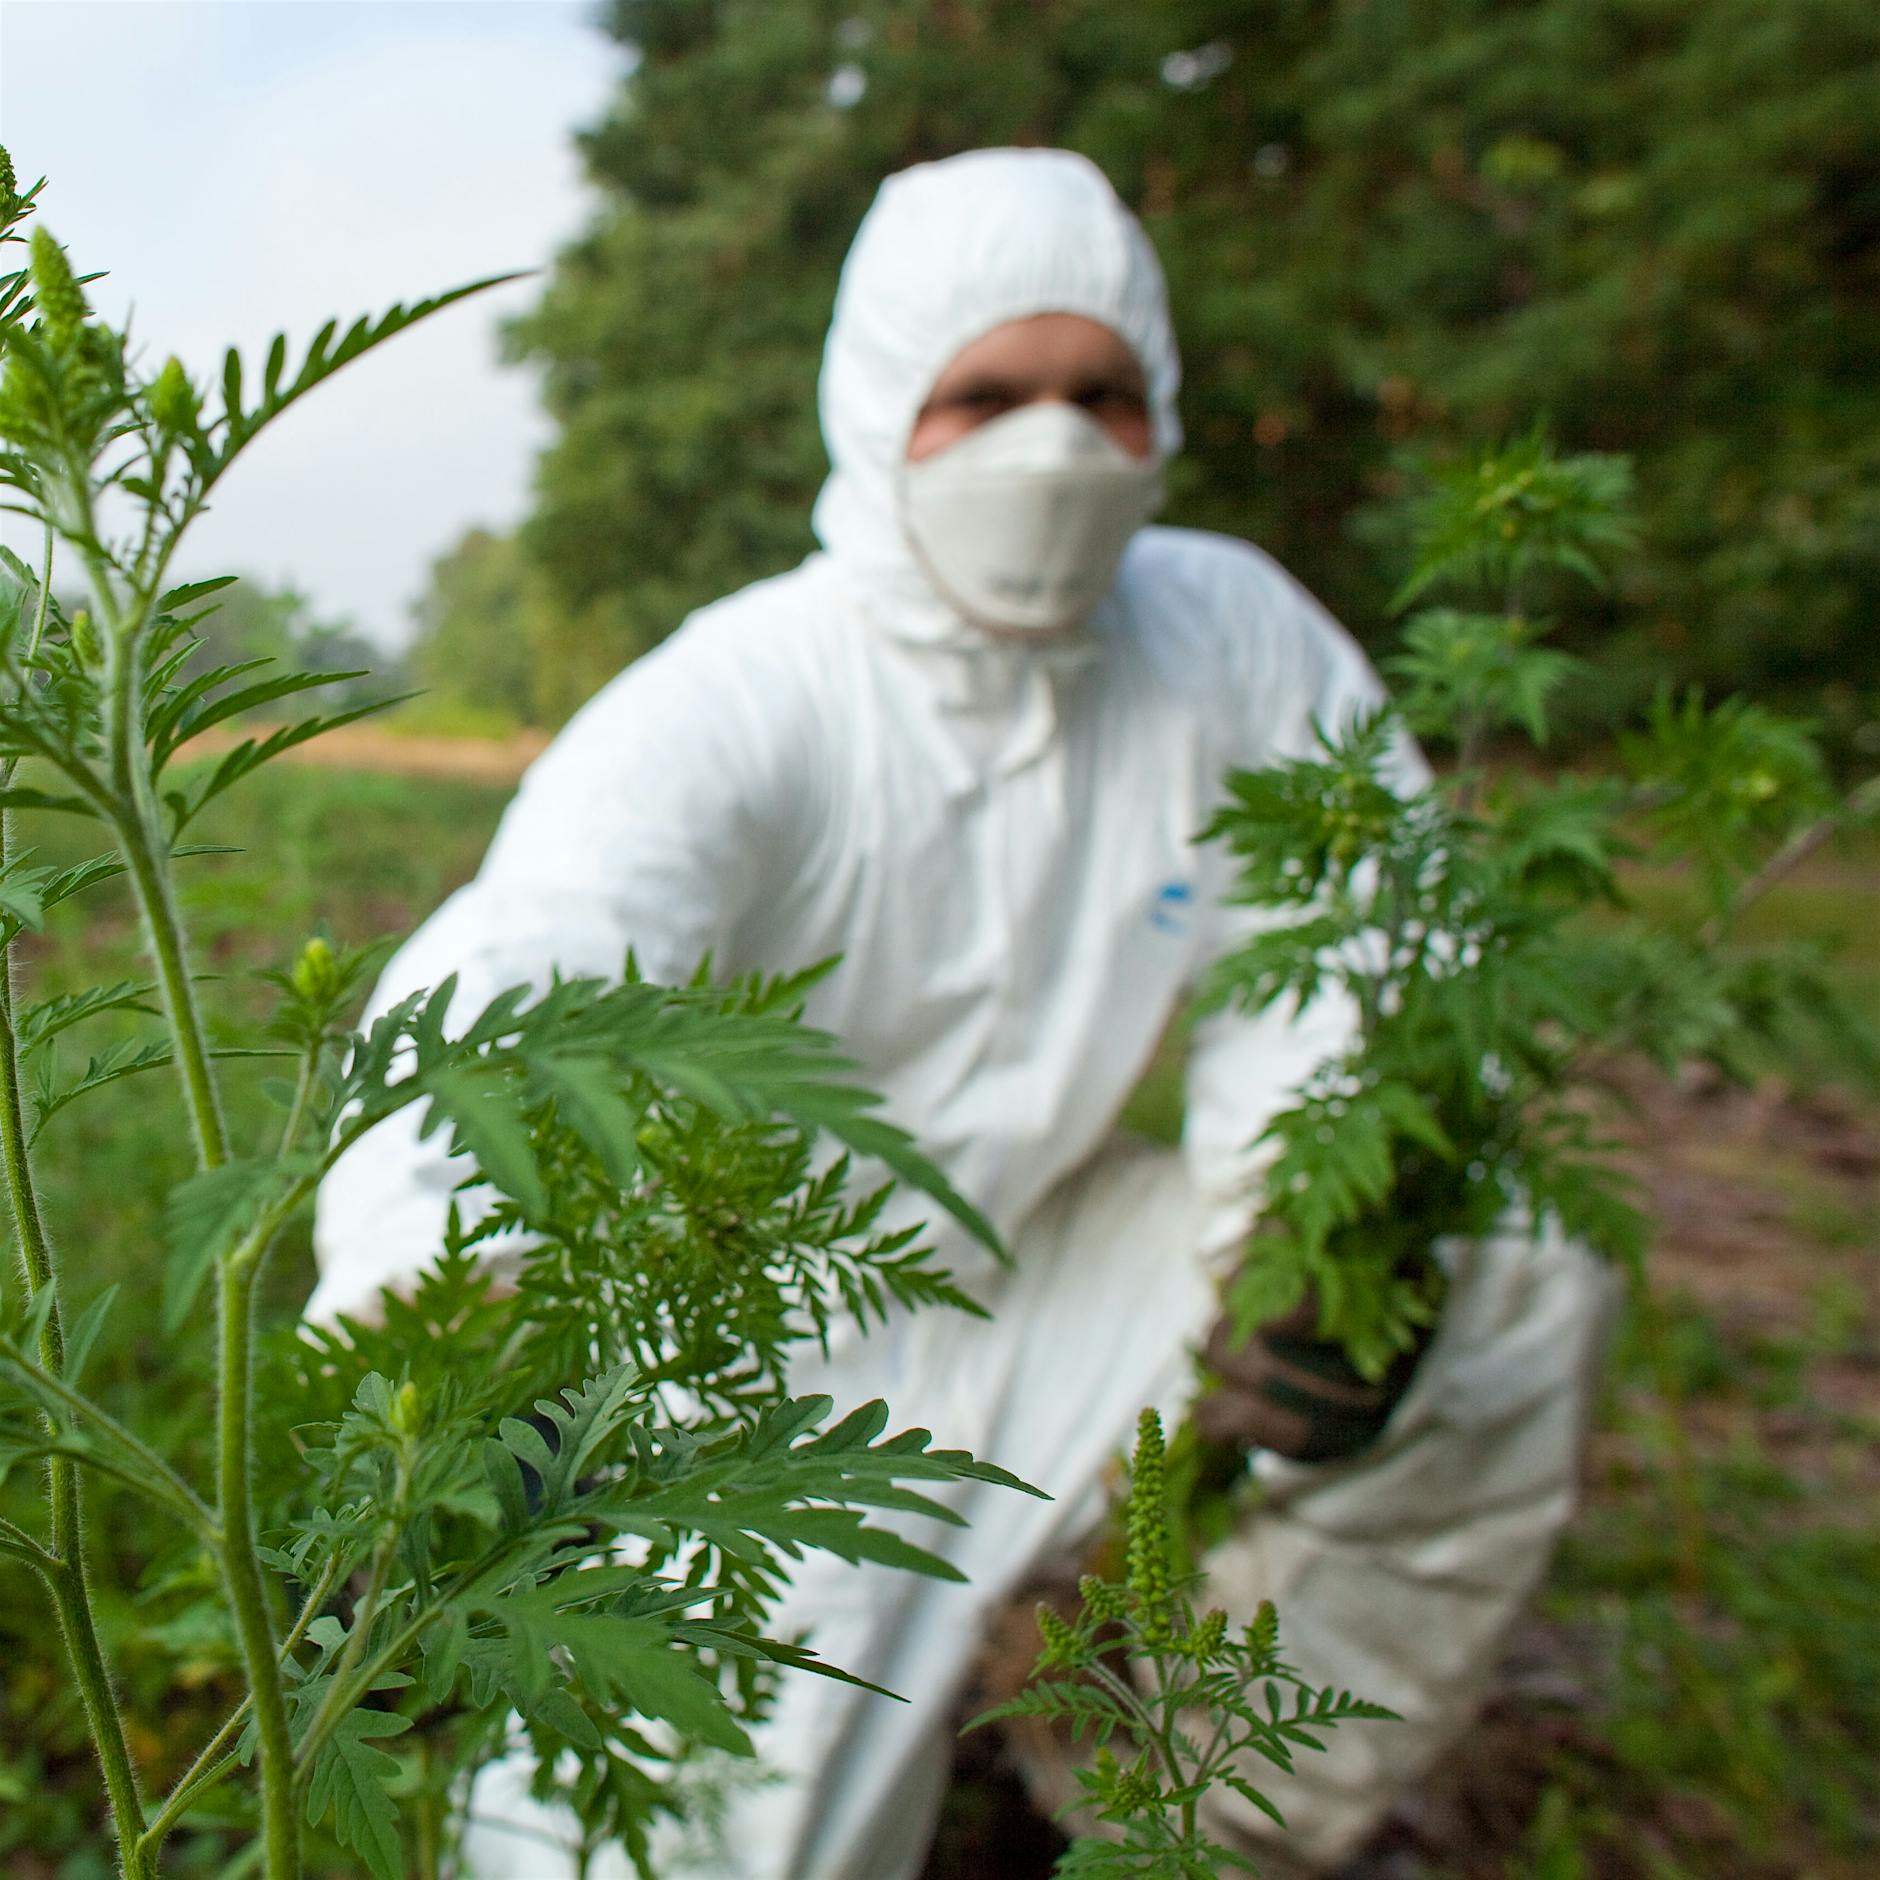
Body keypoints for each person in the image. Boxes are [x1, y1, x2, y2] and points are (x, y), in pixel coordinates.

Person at [310, 148, 1613, 1878]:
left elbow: (1356, 949)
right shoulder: (748, 692)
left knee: (1498, 1250)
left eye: (1104, 395)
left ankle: (1182, 1791)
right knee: (703, 1840)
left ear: (1162, 417)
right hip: (733, 1362)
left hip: (1052, 1274)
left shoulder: (1226, 634)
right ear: (878, 409)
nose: (1052, 448)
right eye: (985, 396)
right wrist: (444, 1342)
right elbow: (522, 983)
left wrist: (1315, 1231)